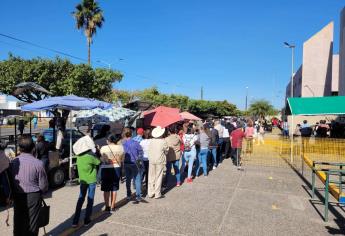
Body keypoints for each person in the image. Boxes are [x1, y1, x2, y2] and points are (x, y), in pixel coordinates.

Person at [10, 135, 48, 236]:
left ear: (19, 148)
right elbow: (43, 186)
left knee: (18, 222)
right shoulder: (38, 163)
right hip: (33, 196)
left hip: (17, 196)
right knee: (32, 224)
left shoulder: (13, 162)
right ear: (33, 148)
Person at [72, 136, 100, 227]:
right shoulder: (90, 157)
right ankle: (87, 220)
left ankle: (75, 221)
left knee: (80, 199)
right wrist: (97, 151)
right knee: (90, 200)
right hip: (91, 180)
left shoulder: (78, 157)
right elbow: (99, 162)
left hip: (82, 181)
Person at [100, 134, 124, 212]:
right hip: (116, 167)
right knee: (114, 188)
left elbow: (102, 158)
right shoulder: (120, 147)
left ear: (108, 140)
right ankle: (113, 206)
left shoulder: (103, 148)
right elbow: (122, 159)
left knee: (106, 188)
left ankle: (107, 206)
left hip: (105, 168)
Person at [122, 128, 145, 203]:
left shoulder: (123, 144)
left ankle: (128, 194)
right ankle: (138, 196)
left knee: (128, 179)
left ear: (124, 135)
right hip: (135, 163)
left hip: (126, 163)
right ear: (131, 134)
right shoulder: (136, 143)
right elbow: (141, 153)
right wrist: (139, 159)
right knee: (137, 179)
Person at [148, 126, 169, 198]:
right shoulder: (163, 141)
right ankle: (157, 193)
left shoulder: (151, 141)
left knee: (151, 176)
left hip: (151, 159)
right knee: (158, 176)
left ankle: (151, 192)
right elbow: (166, 151)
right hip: (159, 160)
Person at [139, 129, 151, 194]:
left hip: (143, 158)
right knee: (148, 174)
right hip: (150, 159)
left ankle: (140, 186)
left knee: (142, 173)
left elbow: (140, 151)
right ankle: (147, 187)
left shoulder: (142, 142)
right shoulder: (151, 141)